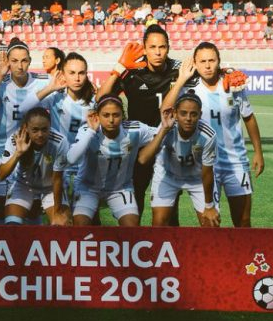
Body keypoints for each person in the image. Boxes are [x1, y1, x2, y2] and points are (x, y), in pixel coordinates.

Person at [161, 42, 263, 227]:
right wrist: (182, 79)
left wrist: (258, 152)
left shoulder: (233, 85)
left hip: (236, 162)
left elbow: (248, 118)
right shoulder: (189, 89)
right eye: (203, 61)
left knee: (243, 221)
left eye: (211, 60)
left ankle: (240, 256)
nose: (207, 66)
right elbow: (166, 110)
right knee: (210, 222)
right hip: (206, 166)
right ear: (195, 63)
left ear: (219, 61)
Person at [97, 25, 182, 220]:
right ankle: (135, 243)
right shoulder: (133, 70)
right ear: (144, 48)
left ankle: (170, 246)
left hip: (168, 143)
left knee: (170, 206)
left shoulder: (179, 69)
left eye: (162, 47)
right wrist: (119, 67)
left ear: (168, 47)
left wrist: (226, 71)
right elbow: (100, 99)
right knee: (135, 200)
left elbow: (208, 70)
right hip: (138, 146)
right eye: (152, 47)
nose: (158, 52)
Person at [0, 39, 49, 224]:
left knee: (33, 209)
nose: (20, 65)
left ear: (30, 60)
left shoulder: (42, 81)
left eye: (24, 60)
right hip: (3, 150)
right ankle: (0, 249)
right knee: (0, 209)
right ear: (8, 61)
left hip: (32, 153)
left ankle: (31, 247)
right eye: (15, 61)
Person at [66, 95, 157, 226]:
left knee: (132, 229)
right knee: (80, 228)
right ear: (97, 116)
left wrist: (165, 127)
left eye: (116, 115)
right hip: (88, 188)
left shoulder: (135, 129)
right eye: (106, 115)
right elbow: (71, 158)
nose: (111, 120)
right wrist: (91, 132)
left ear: (123, 115)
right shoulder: (87, 130)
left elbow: (159, 133)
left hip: (120, 189)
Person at [18, 52, 96, 204]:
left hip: (84, 161)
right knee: (61, 207)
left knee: (86, 212)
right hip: (59, 160)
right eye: (72, 73)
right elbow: (22, 109)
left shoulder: (94, 100)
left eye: (81, 73)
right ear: (63, 74)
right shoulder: (55, 96)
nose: (77, 78)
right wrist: (50, 88)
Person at [138, 93, 219, 227]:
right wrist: (163, 130)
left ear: (200, 114)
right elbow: (143, 159)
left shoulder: (208, 135)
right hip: (168, 176)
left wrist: (209, 205)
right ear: (175, 113)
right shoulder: (167, 127)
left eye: (193, 114)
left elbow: (207, 172)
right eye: (183, 113)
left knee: (211, 224)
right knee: (159, 224)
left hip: (197, 179)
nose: (188, 118)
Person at [0, 108, 71, 226]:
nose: (40, 134)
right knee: (12, 226)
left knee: (61, 226)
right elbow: (0, 175)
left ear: (50, 126)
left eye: (44, 129)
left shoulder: (60, 142)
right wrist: (18, 154)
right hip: (23, 184)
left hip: (51, 187)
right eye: (35, 130)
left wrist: (57, 213)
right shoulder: (14, 139)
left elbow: (57, 179)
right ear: (26, 128)